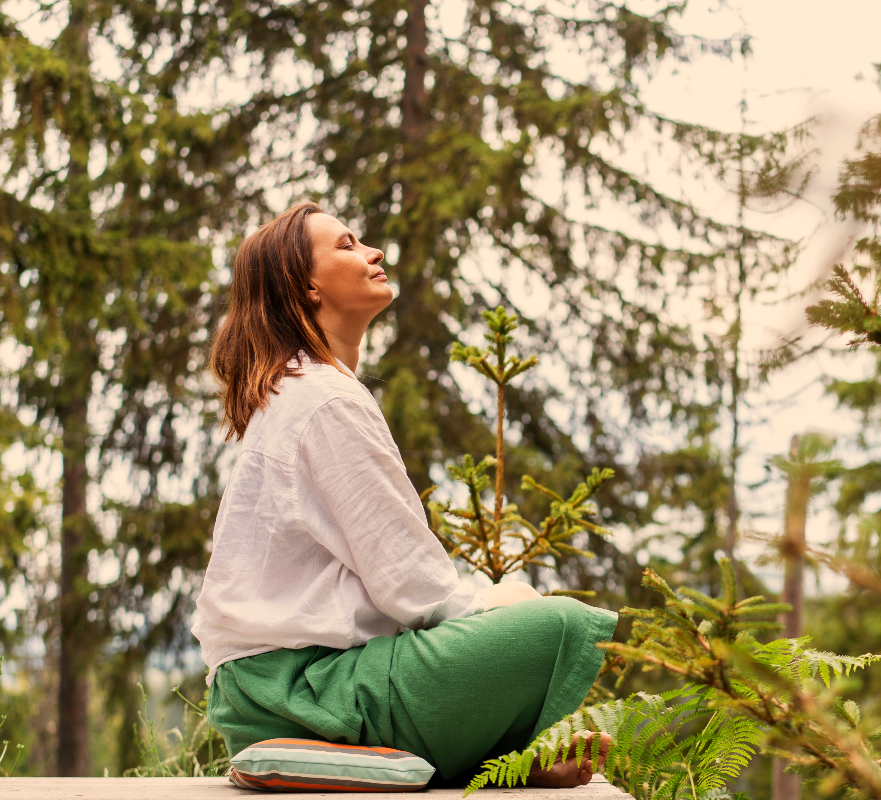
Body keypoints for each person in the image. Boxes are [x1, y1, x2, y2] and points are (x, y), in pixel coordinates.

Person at [192, 202, 616, 786]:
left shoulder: (303, 391)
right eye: (346, 245)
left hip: (269, 690)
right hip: (299, 693)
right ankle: (364, 752)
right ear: (307, 287)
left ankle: (496, 762)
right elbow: (414, 588)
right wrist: (510, 612)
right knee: (560, 624)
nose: (374, 252)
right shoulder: (324, 400)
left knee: (516, 601)